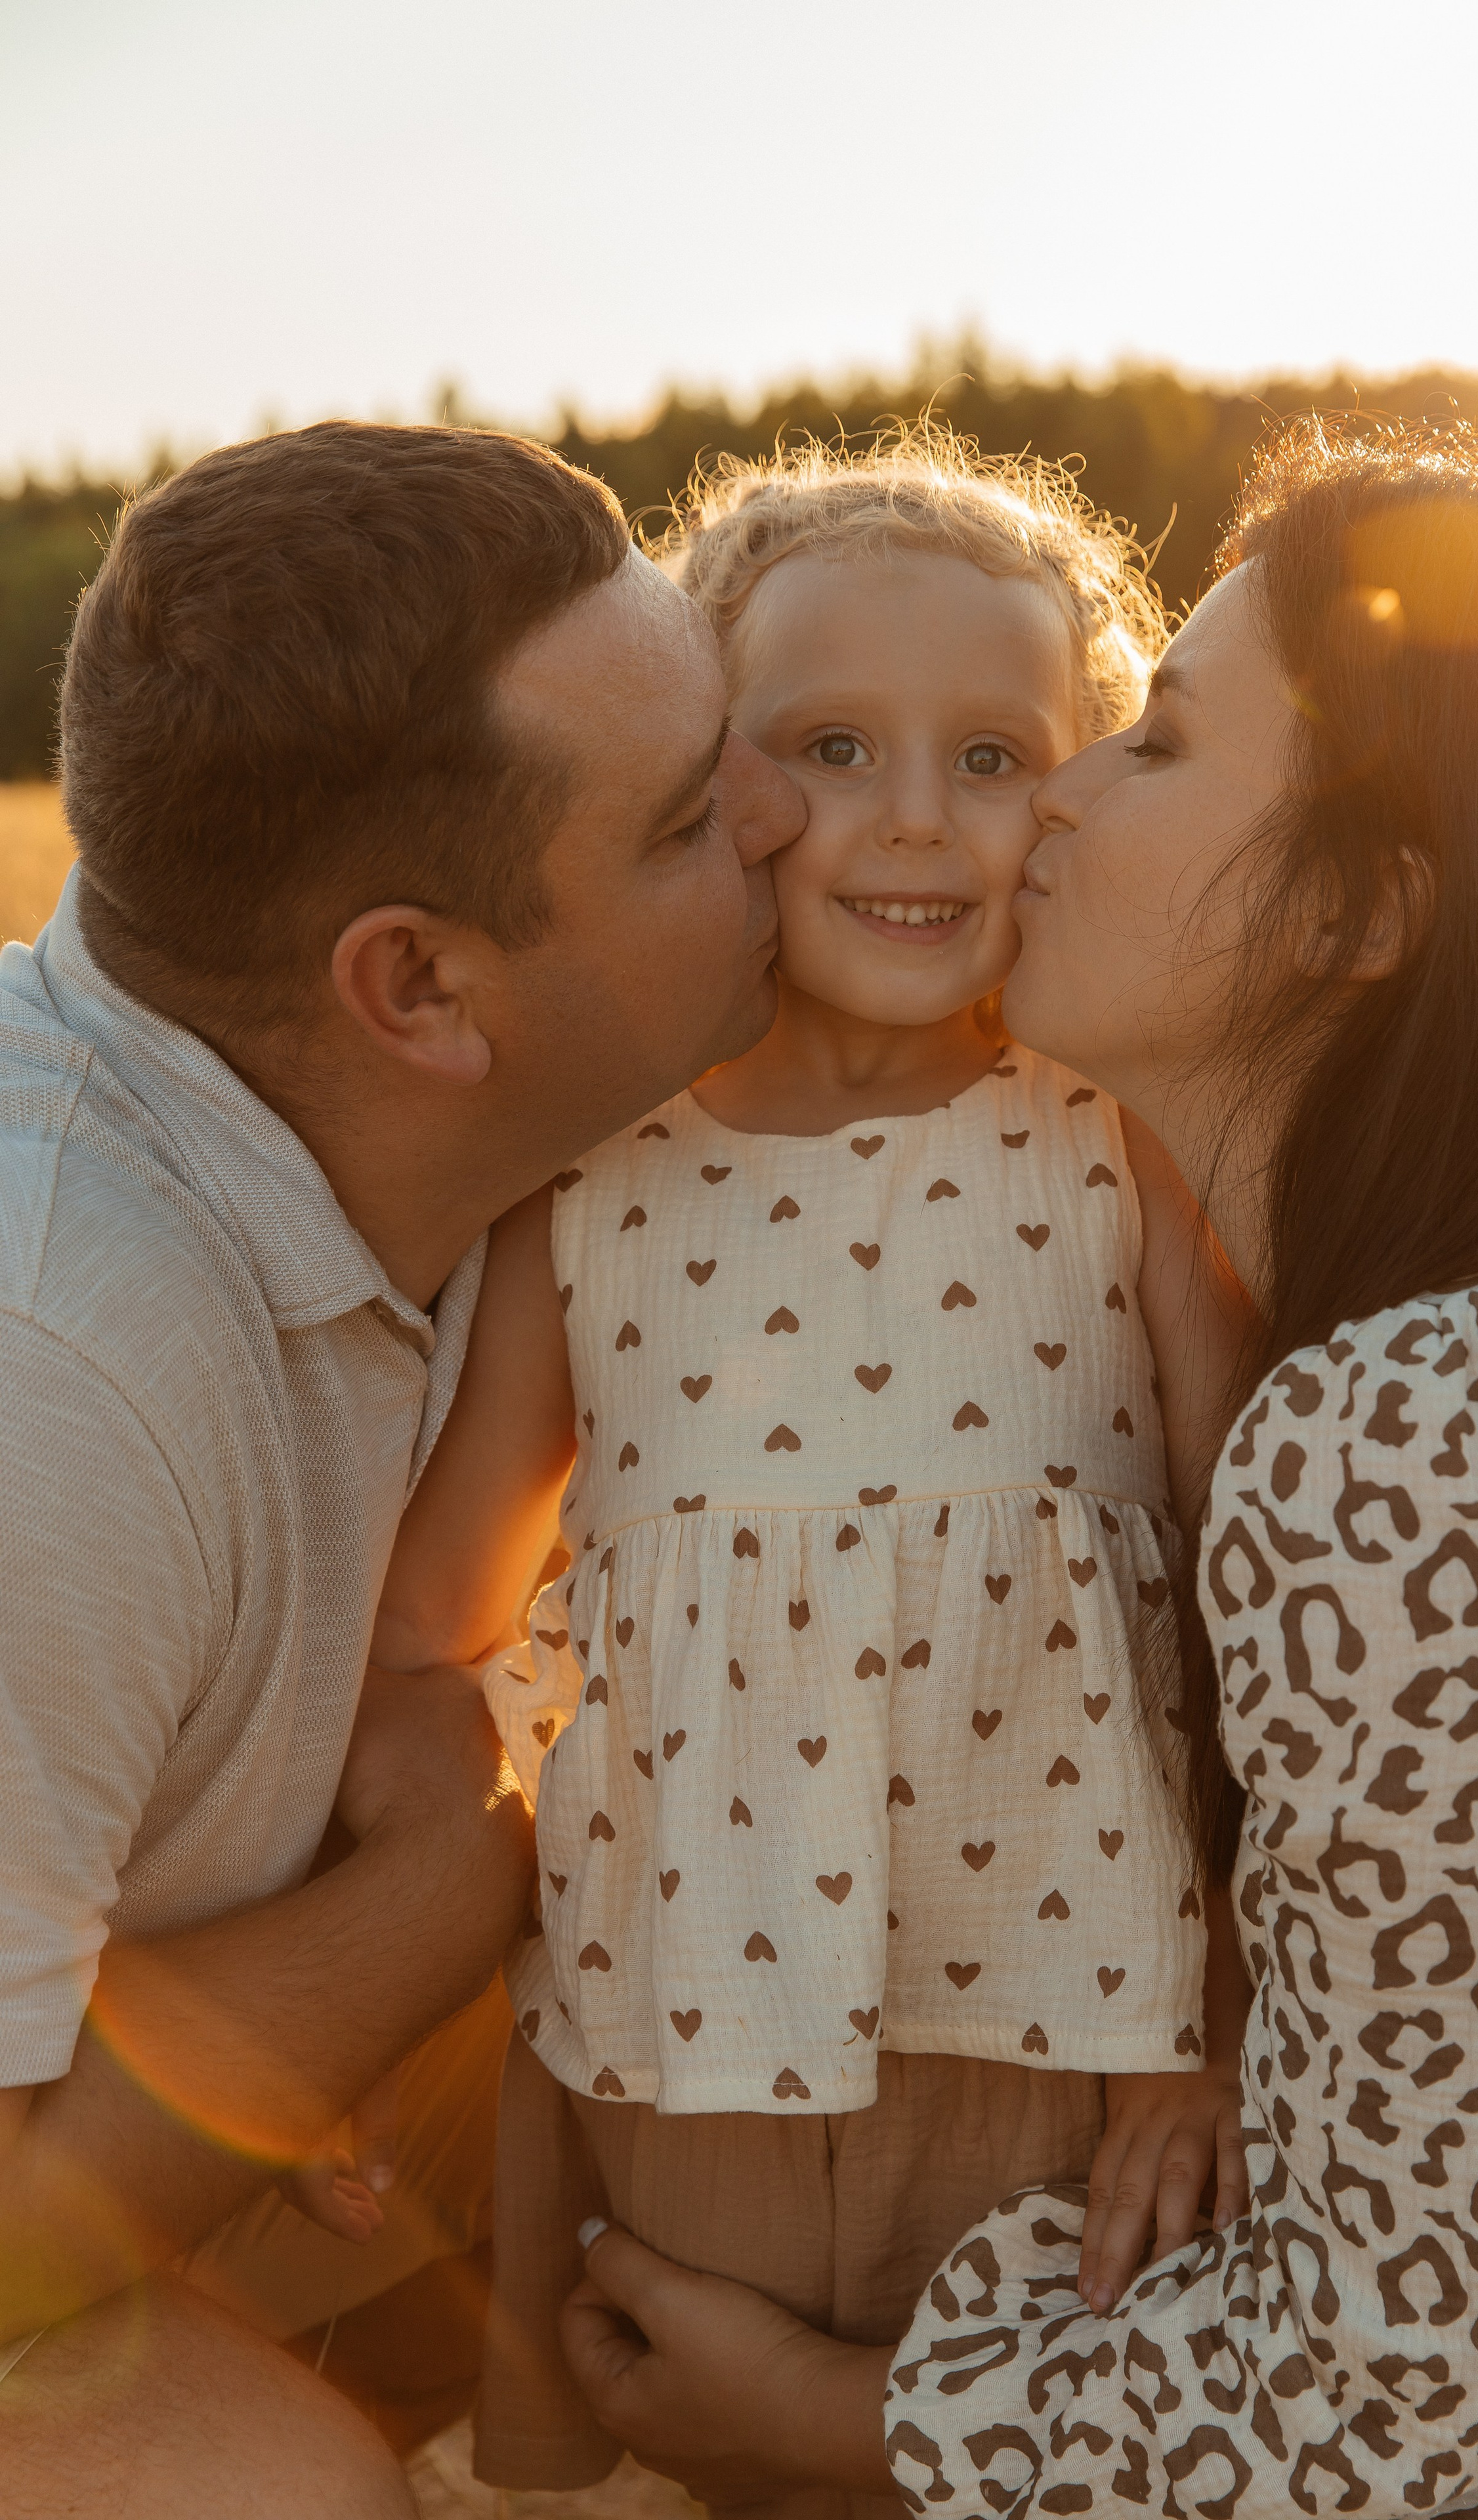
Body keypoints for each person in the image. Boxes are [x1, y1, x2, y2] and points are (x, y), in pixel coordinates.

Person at [542, 419, 1478, 2520]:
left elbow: (1394, 2395)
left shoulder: (1461, 1420)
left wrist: (819, 2419)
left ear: (1355, 909)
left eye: (1145, 745)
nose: (1035, 795)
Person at [373, 434, 1254, 2506]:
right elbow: (440, 1623)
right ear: (719, 786)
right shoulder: (594, 1172)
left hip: (1081, 2042)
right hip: (687, 2009)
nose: (919, 821)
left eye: (997, 754)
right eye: (836, 748)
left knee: (993, 2466)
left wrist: (1221, 2020)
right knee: (706, 2455)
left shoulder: (1111, 1138)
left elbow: (1256, 1593)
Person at [0, 418, 801, 2519]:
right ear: (421, 985)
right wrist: (463, 1877)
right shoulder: (53, 1370)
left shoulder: (485, 1133)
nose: (792, 823)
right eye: (694, 819)